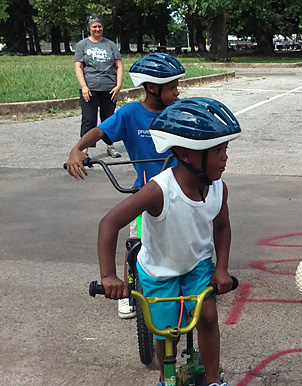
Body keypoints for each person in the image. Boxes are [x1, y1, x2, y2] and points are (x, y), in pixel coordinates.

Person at [97, 97, 241, 386]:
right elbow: (110, 222)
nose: (225, 157)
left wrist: (221, 268)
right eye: (217, 151)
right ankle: (167, 377)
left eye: (225, 149)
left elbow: (222, 227)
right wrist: (108, 275)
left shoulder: (217, 189)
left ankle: (214, 380)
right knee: (166, 332)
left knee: (208, 316)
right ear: (186, 155)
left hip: (197, 265)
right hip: (159, 270)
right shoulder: (159, 190)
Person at [67, 53, 185, 319]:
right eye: (172, 87)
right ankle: (128, 290)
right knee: (136, 243)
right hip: (145, 191)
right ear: (152, 88)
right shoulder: (131, 113)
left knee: (191, 235)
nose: (178, 92)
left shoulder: (179, 112)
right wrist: (78, 149)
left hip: (181, 191)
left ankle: (191, 282)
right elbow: (99, 132)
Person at [74, 14, 123, 158]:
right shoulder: (82, 45)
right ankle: (84, 150)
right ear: (89, 28)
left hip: (109, 88)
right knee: (89, 119)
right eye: (94, 26)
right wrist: (84, 86)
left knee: (108, 119)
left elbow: (119, 66)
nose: (97, 29)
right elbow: (78, 67)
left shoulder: (110, 45)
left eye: (99, 26)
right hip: (90, 88)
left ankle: (110, 146)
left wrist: (118, 85)